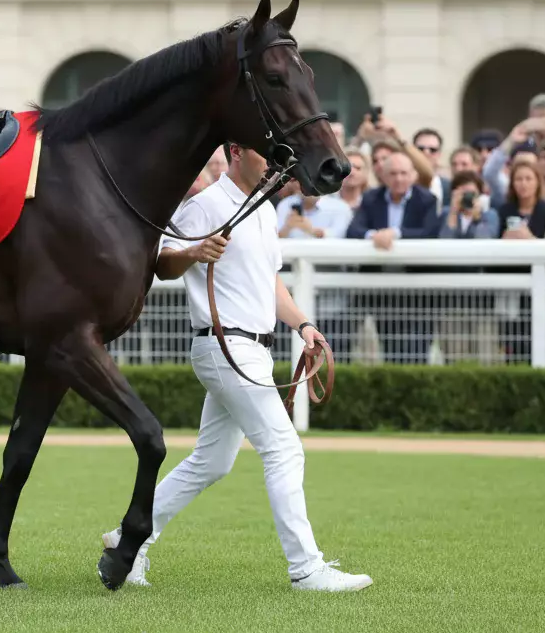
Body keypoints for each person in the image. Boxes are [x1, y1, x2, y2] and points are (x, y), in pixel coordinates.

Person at [100, 140, 373, 593]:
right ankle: (306, 569)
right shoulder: (206, 205)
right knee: (284, 449)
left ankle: (131, 539)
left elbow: (269, 283)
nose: (276, 162)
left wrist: (303, 324)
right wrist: (194, 253)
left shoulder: (263, 207)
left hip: (250, 349)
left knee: (213, 461)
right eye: (266, 152)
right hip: (226, 345)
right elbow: (160, 263)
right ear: (238, 152)